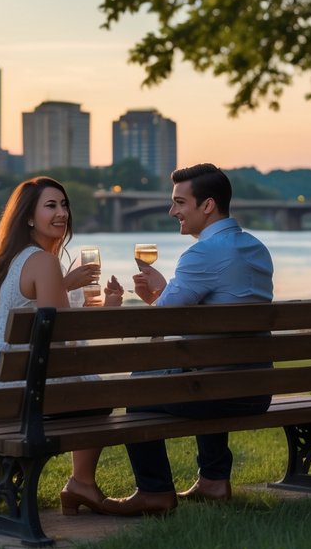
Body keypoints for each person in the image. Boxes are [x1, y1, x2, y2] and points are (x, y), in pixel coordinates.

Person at [95, 163, 274, 518]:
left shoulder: (203, 253)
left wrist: (156, 296)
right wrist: (162, 295)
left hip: (221, 391)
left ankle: (154, 491)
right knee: (207, 366)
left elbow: (161, 322)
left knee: (138, 390)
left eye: (179, 202)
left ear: (207, 206)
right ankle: (213, 479)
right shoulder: (256, 248)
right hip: (256, 388)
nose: (172, 211)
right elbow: (184, 318)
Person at [0, 176, 124, 516]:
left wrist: (75, 293)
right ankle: (81, 482)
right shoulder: (43, 261)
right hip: (20, 394)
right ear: (29, 217)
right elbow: (65, 342)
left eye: (64, 205)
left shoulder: (17, 260)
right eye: (51, 206)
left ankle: (79, 484)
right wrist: (110, 311)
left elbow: (55, 331)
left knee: (89, 389)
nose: (62, 213)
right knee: (98, 394)